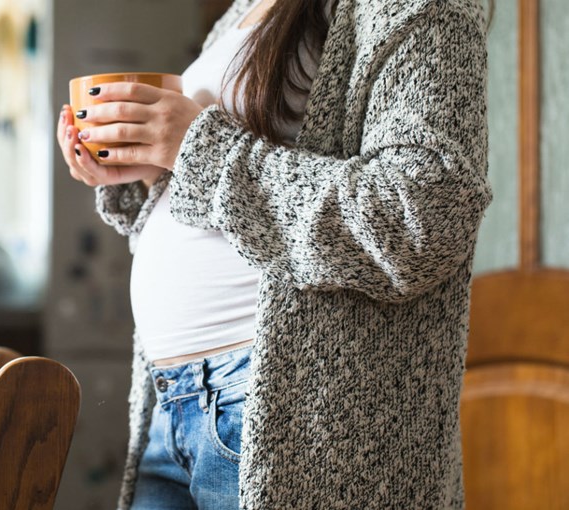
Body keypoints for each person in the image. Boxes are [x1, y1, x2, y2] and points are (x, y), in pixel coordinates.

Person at [56, 0, 494, 507]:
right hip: (169, 405)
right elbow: (234, 197)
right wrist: (153, 174)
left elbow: (423, 216)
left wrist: (194, 149)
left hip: (283, 412)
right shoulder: (244, 9)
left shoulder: (415, 7)